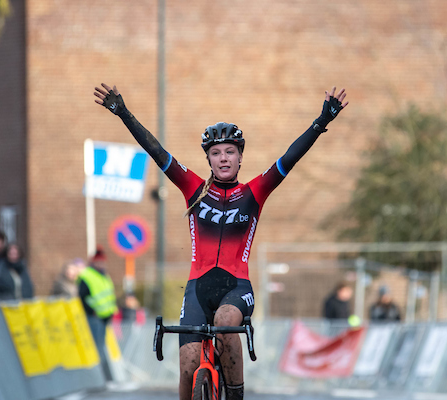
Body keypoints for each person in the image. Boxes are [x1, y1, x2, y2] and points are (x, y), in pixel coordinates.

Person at [94, 82, 348, 400]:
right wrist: (124, 114)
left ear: (240, 158)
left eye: (230, 152)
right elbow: (156, 152)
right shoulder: (193, 188)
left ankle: (237, 395)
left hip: (236, 287)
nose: (223, 158)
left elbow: (290, 158)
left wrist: (321, 121)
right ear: (209, 160)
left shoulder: (255, 192)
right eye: (216, 153)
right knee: (187, 369)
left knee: (226, 322)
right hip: (197, 288)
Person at [77, 247, 118, 381]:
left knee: (101, 348)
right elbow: (83, 297)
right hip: (95, 317)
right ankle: (101, 378)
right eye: (99, 262)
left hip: (104, 317)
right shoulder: (87, 275)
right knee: (98, 349)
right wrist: (92, 312)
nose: (101, 264)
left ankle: (104, 378)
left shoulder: (103, 275)